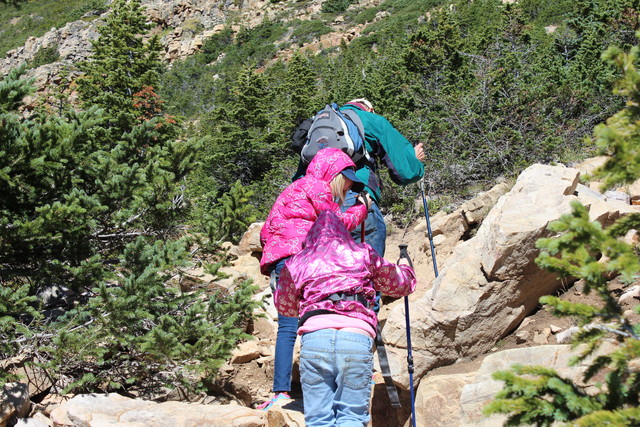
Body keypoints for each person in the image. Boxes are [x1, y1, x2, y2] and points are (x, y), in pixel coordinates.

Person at [274, 210, 417, 426]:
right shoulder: (362, 253)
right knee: (351, 416)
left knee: (318, 419)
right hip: (356, 337)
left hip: (316, 338)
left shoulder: (297, 262)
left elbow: (284, 306)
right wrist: (405, 266)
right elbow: (400, 284)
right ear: (343, 233)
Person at [258, 147, 372, 410]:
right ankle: (329, 384)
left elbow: (267, 231)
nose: (346, 188)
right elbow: (337, 224)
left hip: (282, 262)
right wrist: (362, 209)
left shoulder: (292, 188)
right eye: (346, 181)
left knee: (287, 327)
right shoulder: (318, 187)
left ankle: (281, 392)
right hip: (305, 262)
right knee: (319, 319)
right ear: (334, 174)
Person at [340, 98, 425, 257]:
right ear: (369, 109)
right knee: (365, 274)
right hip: (357, 200)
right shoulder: (370, 120)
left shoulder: (318, 124)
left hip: (313, 205)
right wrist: (415, 161)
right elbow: (406, 172)